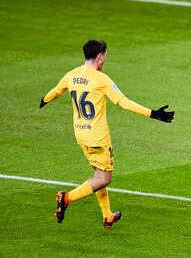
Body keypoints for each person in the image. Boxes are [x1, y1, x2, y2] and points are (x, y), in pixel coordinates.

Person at [40, 39, 175, 229]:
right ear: (100, 56)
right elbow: (123, 102)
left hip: (80, 134)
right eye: (106, 56)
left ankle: (107, 215)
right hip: (98, 137)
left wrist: (43, 100)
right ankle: (67, 198)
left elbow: (55, 92)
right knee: (104, 179)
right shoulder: (101, 79)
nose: (105, 60)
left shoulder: (71, 75)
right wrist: (153, 113)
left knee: (97, 174)